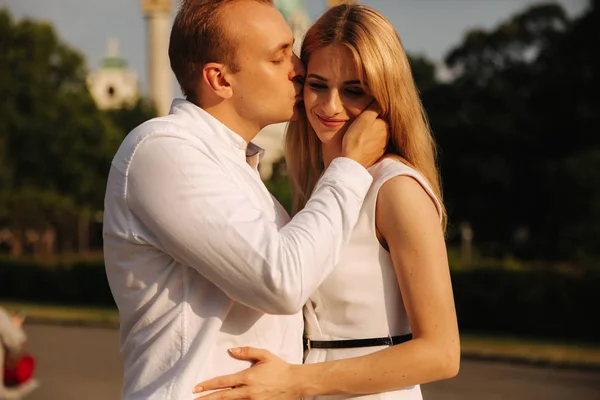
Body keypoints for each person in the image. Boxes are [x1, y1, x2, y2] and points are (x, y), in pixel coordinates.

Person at [102, 0, 387, 399]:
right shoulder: (161, 150)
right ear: (220, 79)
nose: (299, 69)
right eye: (279, 57)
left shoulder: (236, 164)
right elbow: (282, 281)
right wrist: (350, 166)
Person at [192, 4, 460, 399]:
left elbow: (441, 353)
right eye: (317, 84)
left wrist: (293, 382)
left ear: (384, 96)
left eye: (353, 90)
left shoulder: (397, 188)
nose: (329, 106)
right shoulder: (320, 189)